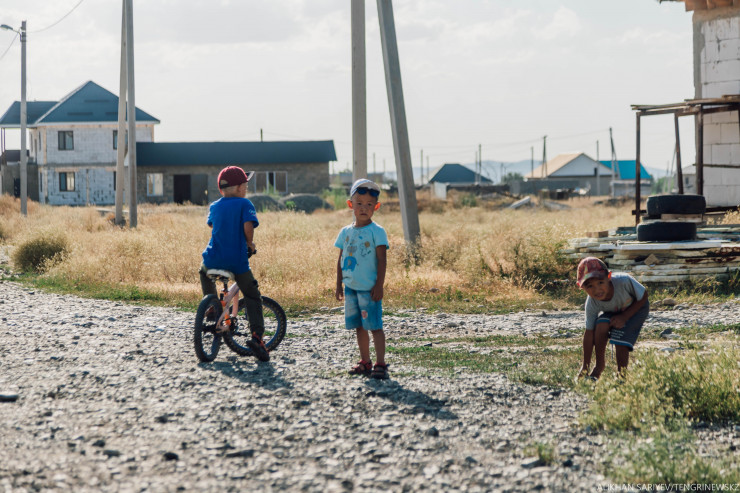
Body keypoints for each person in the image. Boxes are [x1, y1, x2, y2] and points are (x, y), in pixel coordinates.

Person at [199, 166, 269, 362]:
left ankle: (212, 305)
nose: (246, 189)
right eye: (245, 185)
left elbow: (212, 225)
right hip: (236, 260)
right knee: (252, 294)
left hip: (212, 258)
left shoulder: (214, 206)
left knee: (203, 272)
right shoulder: (245, 204)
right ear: (239, 188)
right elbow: (248, 226)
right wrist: (250, 244)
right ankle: (257, 338)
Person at [335, 178, 390, 380]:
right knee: (359, 326)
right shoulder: (345, 232)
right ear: (351, 204)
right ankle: (365, 361)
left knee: (374, 326)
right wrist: (339, 284)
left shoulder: (377, 231)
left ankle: (380, 363)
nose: (364, 208)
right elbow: (341, 259)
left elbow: (382, 260)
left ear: (376, 207)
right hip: (351, 287)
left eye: (369, 204)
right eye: (359, 203)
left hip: (369, 289)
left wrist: (379, 285)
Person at [576, 256, 649, 381]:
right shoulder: (592, 303)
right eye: (590, 286)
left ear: (609, 276)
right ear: (581, 287)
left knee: (619, 337)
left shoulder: (623, 281)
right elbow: (589, 333)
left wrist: (625, 316)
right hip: (615, 312)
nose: (597, 290)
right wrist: (584, 367)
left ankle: (621, 375)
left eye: (600, 283)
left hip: (637, 308)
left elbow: (644, 295)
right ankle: (599, 366)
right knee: (601, 324)